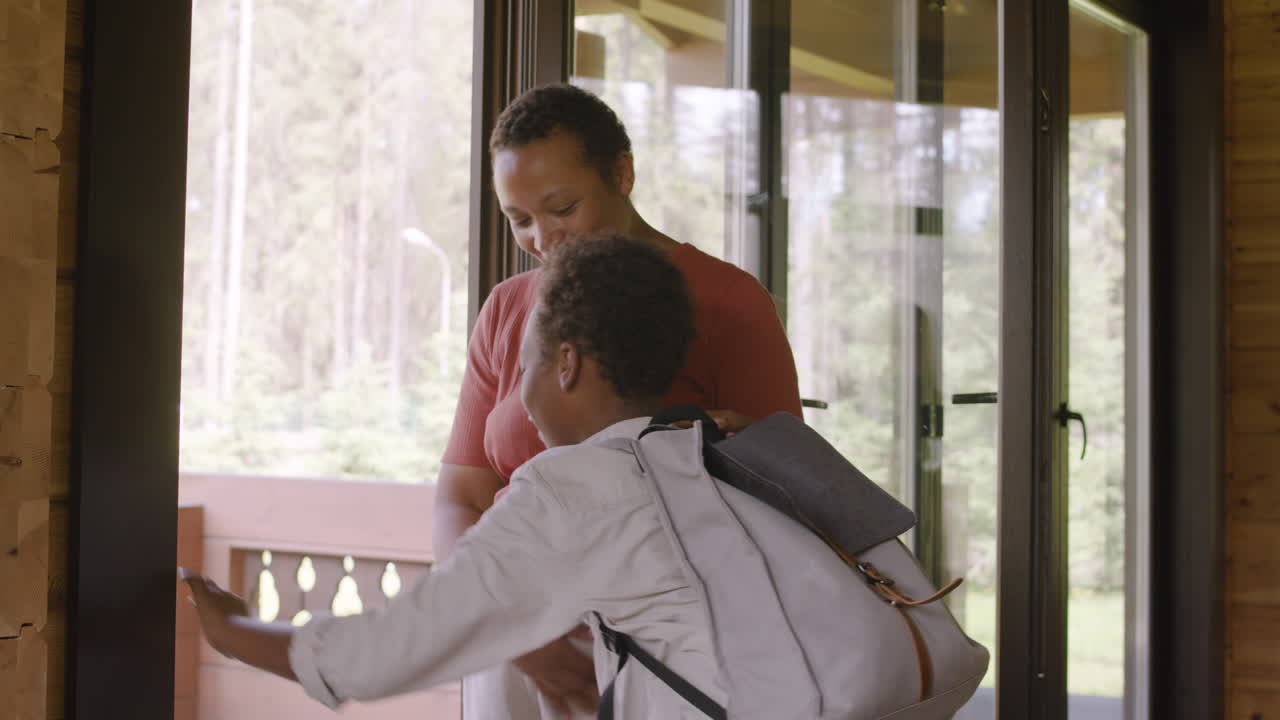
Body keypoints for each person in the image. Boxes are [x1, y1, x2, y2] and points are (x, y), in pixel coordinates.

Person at [181, 234, 739, 719]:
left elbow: (382, 655)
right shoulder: (716, 457)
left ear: (565, 365)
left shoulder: (572, 487)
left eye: (526, 366)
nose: (520, 392)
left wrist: (231, 633)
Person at [435, 84, 802, 718]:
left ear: (622, 174)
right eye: (519, 219)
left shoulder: (726, 300)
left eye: (562, 208)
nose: (543, 238)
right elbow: (460, 495)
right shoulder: (507, 309)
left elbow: (791, 496)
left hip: (671, 654)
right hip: (511, 639)